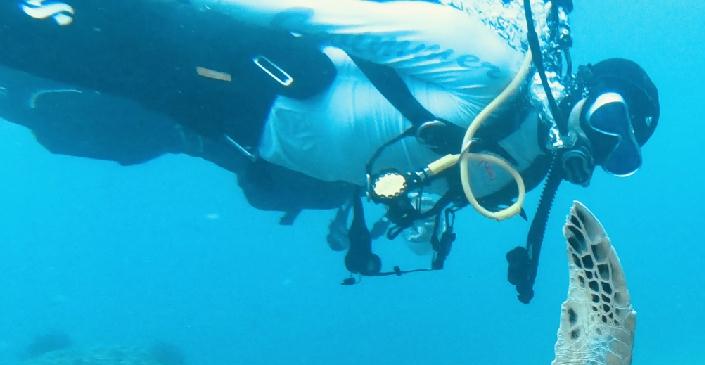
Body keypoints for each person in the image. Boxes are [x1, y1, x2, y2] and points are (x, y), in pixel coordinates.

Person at [0, 0, 660, 301]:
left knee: (82, 126)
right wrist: (181, 17)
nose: (588, 158)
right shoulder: (486, 63)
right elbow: (319, 15)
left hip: (244, 142)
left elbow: (416, 197)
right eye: (608, 130)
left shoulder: (514, 173)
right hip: (238, 72)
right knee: (67, 42)